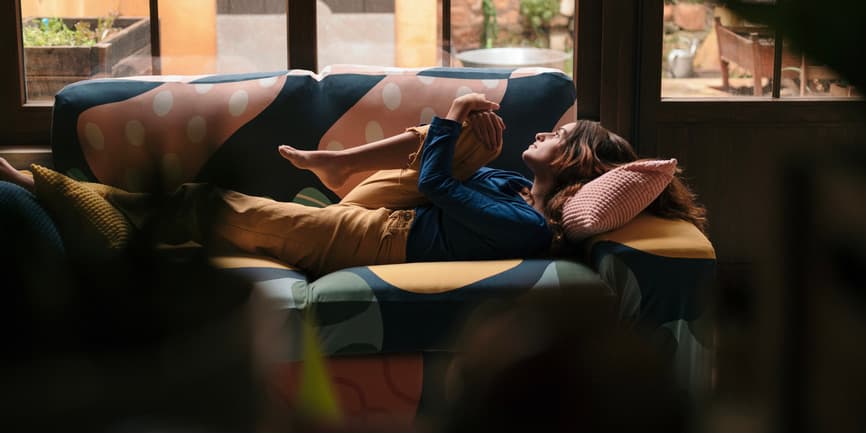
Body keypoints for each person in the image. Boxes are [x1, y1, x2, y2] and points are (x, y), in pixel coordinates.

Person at [0, 93, 706, 276]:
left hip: (378, 238)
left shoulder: (526, 224)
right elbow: (439, 176)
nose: (544, 131)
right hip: (392, 216)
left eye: (557, 136)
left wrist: (456, 119)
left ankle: (44, 186)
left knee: (203, 203)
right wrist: (459, 136)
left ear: (575, 165)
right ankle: (337, 171)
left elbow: (434, 182)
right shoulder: (519, 195)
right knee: (459, 143)